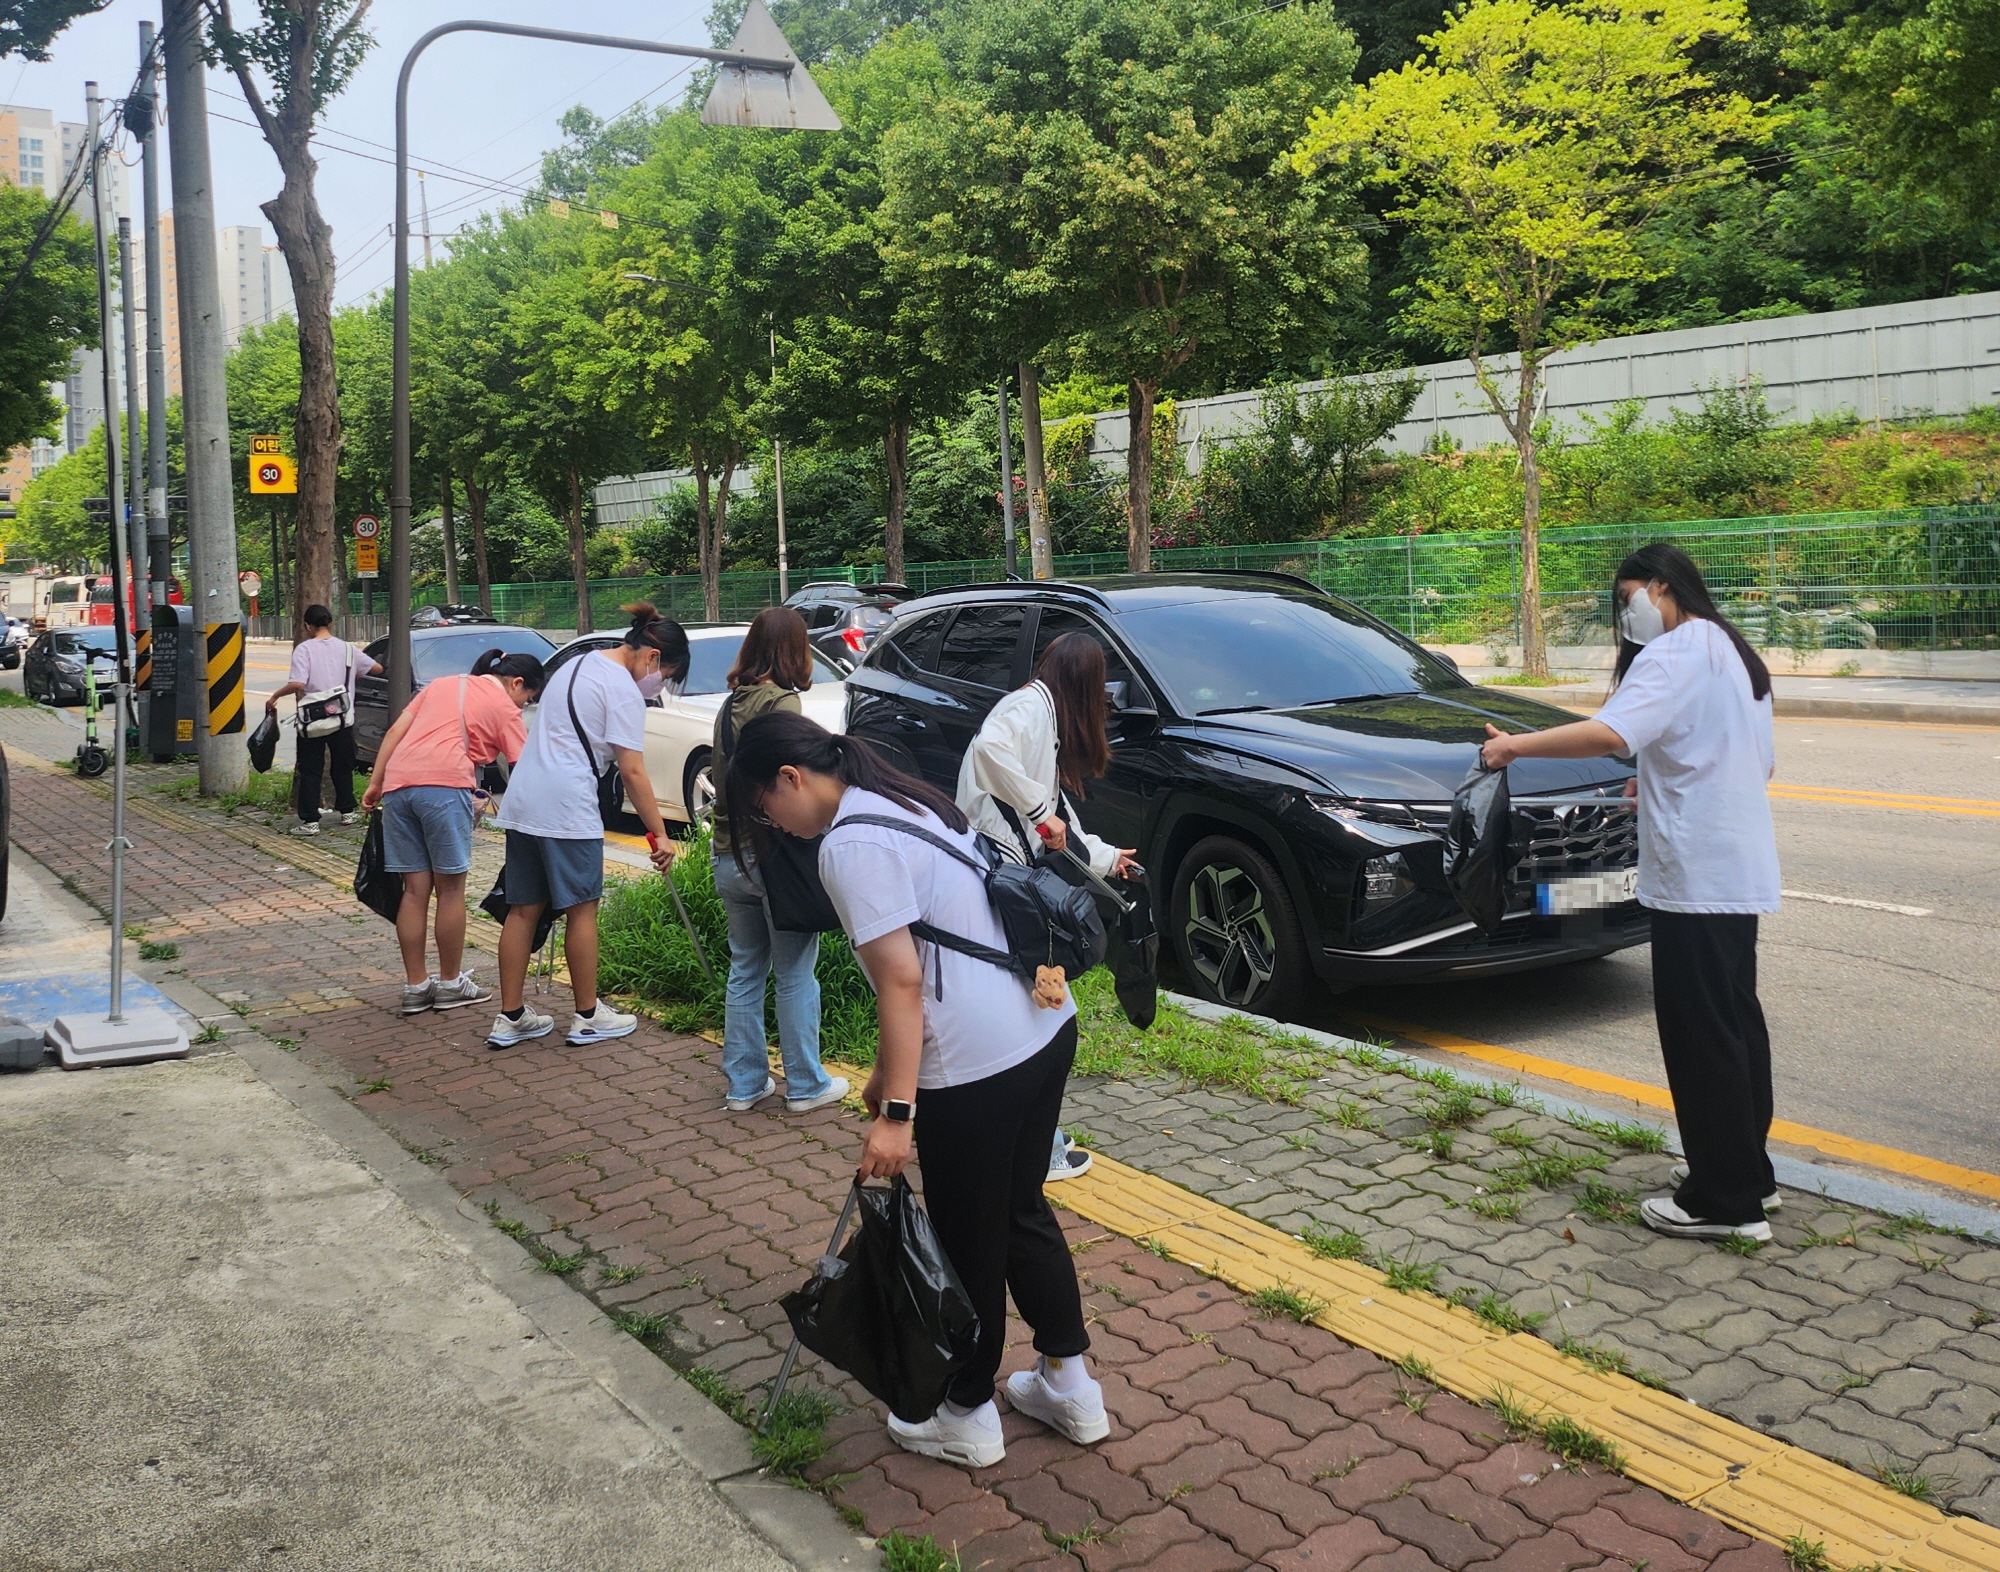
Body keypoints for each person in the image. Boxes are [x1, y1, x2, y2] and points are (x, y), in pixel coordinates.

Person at [727, 711, 1106, 1470]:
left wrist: (897, 1115)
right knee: (1020, 1209)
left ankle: (966, 1414)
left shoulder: (849, 844)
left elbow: (902, 981)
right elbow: (929, 955)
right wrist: (887, 1075)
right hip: (1040, 1026)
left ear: (791, 779)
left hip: (976, 1063)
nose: (773, 826)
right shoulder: (901, 798)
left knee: (969, 1243)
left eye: (764, 809)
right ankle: (1070, 1386)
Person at [1480, 543, 1780, 1242]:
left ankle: (1724, 1203)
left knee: (1700, 1035)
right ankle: (1749, 1173)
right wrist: (1656, 778)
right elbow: (1750, 760)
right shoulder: (1733, 650)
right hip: (1737, 870)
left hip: (1694, 876)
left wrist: (1512, 747)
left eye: (1628, 598)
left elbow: (1609, 734)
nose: (1627, 614)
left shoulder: (1674, 653)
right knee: (1735, 1024)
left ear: (1663, 586)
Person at [957, 631, 1136, 1184]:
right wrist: (1039, 812)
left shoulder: (1043, 716)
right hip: (1003, 884)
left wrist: (1108, 859)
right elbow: (990, 754)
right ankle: (1042, 1151)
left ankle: (1033, 1141)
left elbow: (1062, 820)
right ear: (1083, 681)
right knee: (1048, 1018)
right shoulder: (1028, 709)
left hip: (1006, 885)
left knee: (1042, 1014)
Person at [488, 602, 682, 1050]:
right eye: (666, 675)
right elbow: (632, 770)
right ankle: (589, 1016)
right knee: (582, 909)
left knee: (523, 909)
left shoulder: (576, 663)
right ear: (653, 656)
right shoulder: (623, 690)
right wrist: (660, 833)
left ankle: (510, 1017)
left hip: (525, 798)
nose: (659, 684)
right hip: (566, 804)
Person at [710, 607, 847, 1115]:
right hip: (773, 858)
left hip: (728, 855)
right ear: (795, 649)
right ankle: (806, 1085)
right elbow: (797, 781)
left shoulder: (731, 703)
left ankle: (745, 1084)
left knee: (745, 969)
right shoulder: (782, 702)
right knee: (795, 973)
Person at [360, 649, 544, 1015]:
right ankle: (450, 983)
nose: (523, 707)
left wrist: (376, 783)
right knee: (450, 890)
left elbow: (396, 731)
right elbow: (522, 768)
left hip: (398, 785)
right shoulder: (504, 707)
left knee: (414, 891)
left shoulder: (441, 685)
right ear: (517, 683)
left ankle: (415, 986)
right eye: (528, 699)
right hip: (444, 788)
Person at [265, 604, 383, 836]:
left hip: (313, 720)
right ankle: (347, 812)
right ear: (330, 623)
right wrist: (351, 674)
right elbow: (377, 668)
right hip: (342, 718)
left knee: (311, 769)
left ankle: (310, 822)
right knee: (343, 766)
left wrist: (275, 696)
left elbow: (298, 683)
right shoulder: (347, 649)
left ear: (307, 626)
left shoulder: (304, 649)